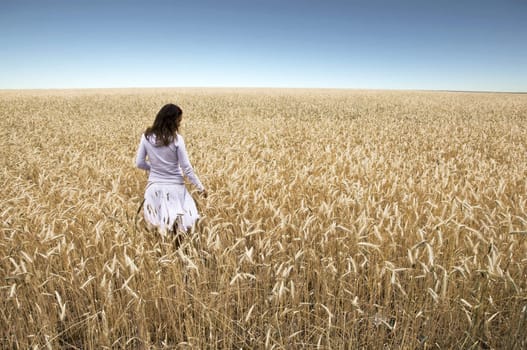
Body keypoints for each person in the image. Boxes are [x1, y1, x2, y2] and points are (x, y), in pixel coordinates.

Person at [135, 103, 207, 236]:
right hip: (175, 190)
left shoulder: (146, 137)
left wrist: (155, 168)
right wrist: (201, 188)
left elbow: (139, 163)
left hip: (154, 189)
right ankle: (180, 255)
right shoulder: (177, 140)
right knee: (178, 232)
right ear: (170, 121)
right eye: (178, 121)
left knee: (158, 232)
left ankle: (161, 255)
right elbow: (187, 168)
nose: (179, 125)